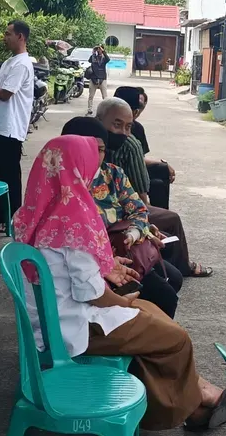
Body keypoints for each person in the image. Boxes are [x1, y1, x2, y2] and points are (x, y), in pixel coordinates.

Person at [13, 136, 226, 431]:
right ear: (78, 167)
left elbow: (68, 271)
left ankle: (195, 397)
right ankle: (184, 410)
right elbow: (93, 294)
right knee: (175, 338)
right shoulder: (73, 219)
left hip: (52, 319)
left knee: (152, 315)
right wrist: (125, 303)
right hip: (72, 327)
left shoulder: (37, 211)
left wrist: (113, 280)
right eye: (90, 162)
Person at [61, 116, 182, 318]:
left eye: (100, 149)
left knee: (173, 278)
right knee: (164, 297)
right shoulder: (60, 185)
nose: (94, 155)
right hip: (91, 265)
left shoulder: (112, 174)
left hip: (123, 250)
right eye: (87, 148)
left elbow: (139, 210)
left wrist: (134, 233)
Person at [95, 98, 211, 277]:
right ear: (99, 120)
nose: (123, 132)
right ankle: (181, 266)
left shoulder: (117, 165)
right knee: (170, 219)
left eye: (128, 127)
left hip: (127, 208)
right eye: (117, 125)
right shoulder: (77, 164)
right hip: (107, 231)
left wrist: (141, 222)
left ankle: (170, 265)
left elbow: (139, 200)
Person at [0, 19, 35, 216]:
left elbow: (5, 93)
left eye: (8, 34)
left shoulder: (22, 64)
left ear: (20, 37)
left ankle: (12, 215)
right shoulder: (8, 63)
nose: (4, 38)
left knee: (8, 174)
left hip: (10, 127)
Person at [114, 85, 174, 208]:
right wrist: (144, 206)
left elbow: (139, 159)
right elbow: (137, 165)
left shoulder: (137, 129)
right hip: (119, 175)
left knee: (161, 171)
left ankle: (159, 214)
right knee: (156, 182)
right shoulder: (129, 142)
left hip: (124, 171)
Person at [86, 44, 110, 114]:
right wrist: (93, 52)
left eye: (99, 49)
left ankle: (106, 110)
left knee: (105, 96)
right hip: (93, 78)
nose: (98, 50)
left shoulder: (104, 58)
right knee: (91, 96)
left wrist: (103, 51)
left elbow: (108, 59)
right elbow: (89, 60)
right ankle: (89, 109)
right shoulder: (94, 57)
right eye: (97, 49)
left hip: (102, 78)